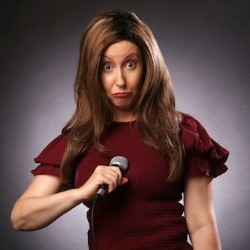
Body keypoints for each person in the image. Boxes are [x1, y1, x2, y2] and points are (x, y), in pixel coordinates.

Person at [10, 10, 229, 250]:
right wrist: (80, 193)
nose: (120, 81)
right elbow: (21, 218)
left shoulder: (182, 132)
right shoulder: (78, 139)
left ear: (148, 67)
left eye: (130, 64)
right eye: (107, 66)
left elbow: (201, 225)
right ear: (92, 72)